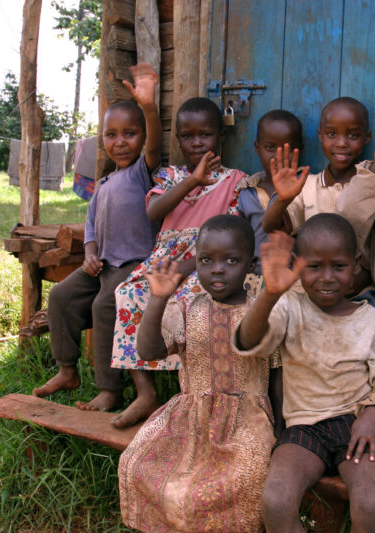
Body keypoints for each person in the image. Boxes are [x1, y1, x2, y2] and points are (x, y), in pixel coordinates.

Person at [235, 214, 375, 533]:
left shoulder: (371, 321)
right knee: (276, 500)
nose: (327, 277)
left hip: (355, 425)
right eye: (314, 267)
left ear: (356, 264)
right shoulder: (288, 307)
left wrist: (372, 416)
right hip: (303, 427)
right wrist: (270, 293)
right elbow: (251, 343)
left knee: (371, 503)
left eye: (338, 266)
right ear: (296, 264)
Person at [118, 215, 280, 533]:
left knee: (246, 475)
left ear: (250, 263)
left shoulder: (261, 313)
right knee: (137, 462)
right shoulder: (187, 308)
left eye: (231, 260)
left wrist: (283, 431)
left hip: (246, 422)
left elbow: (278, 375)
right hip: (189, 418)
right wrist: (158, 299)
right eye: (206, 260)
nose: (217, 269)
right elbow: (149, 352)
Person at [32, 64, 161, 422]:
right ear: (102, 138)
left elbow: (154, 144)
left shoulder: (142, 171)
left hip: (135, 264)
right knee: (60, 297)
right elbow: (90, 228)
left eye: (130, 134)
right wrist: (89, 254)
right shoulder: (103, 184)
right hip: (102, 265)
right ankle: (67, 370)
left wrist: (148, 106)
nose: (120, 142)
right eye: (111, 135)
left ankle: (110, 389)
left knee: (107, 305)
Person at [110, 97, 249, 428]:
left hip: (202, 260)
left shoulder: (236, 181)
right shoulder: (170, 176)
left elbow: (232, 229)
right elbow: (153, 213)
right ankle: (146, 393)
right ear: (179, 140)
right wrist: (191, 181)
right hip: (163, 258)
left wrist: (191, 267)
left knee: (188, 300)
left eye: (205, 135)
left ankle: (190, 392)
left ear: (221, 137)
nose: (197, 142)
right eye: (188, 136)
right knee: (128, 293)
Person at [261, 97, 375, 348]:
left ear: (367, 138)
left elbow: (363, 231)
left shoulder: (374, 183)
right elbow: (273, 227)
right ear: (319, 135)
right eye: (331, 133)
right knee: (283, 335)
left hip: (359, 291)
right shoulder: (305, 186)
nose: (341, 143)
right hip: (311, 289)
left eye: (352, 135)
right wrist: (282, 200)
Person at [237, 109, 303, 273]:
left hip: (294, 276)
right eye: (270, 147)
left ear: (300, 149)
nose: (278, 156)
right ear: (257, 148)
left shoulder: (306, 188)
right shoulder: (246, 193)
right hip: (254, 274)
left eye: (288, 149)